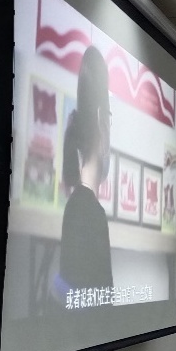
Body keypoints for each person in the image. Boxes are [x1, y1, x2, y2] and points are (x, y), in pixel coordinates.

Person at [58, 44, 114, 299]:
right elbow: (101, 304)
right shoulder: (89, 212)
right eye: (110, 118)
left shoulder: (79, 206)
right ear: (102, 122)